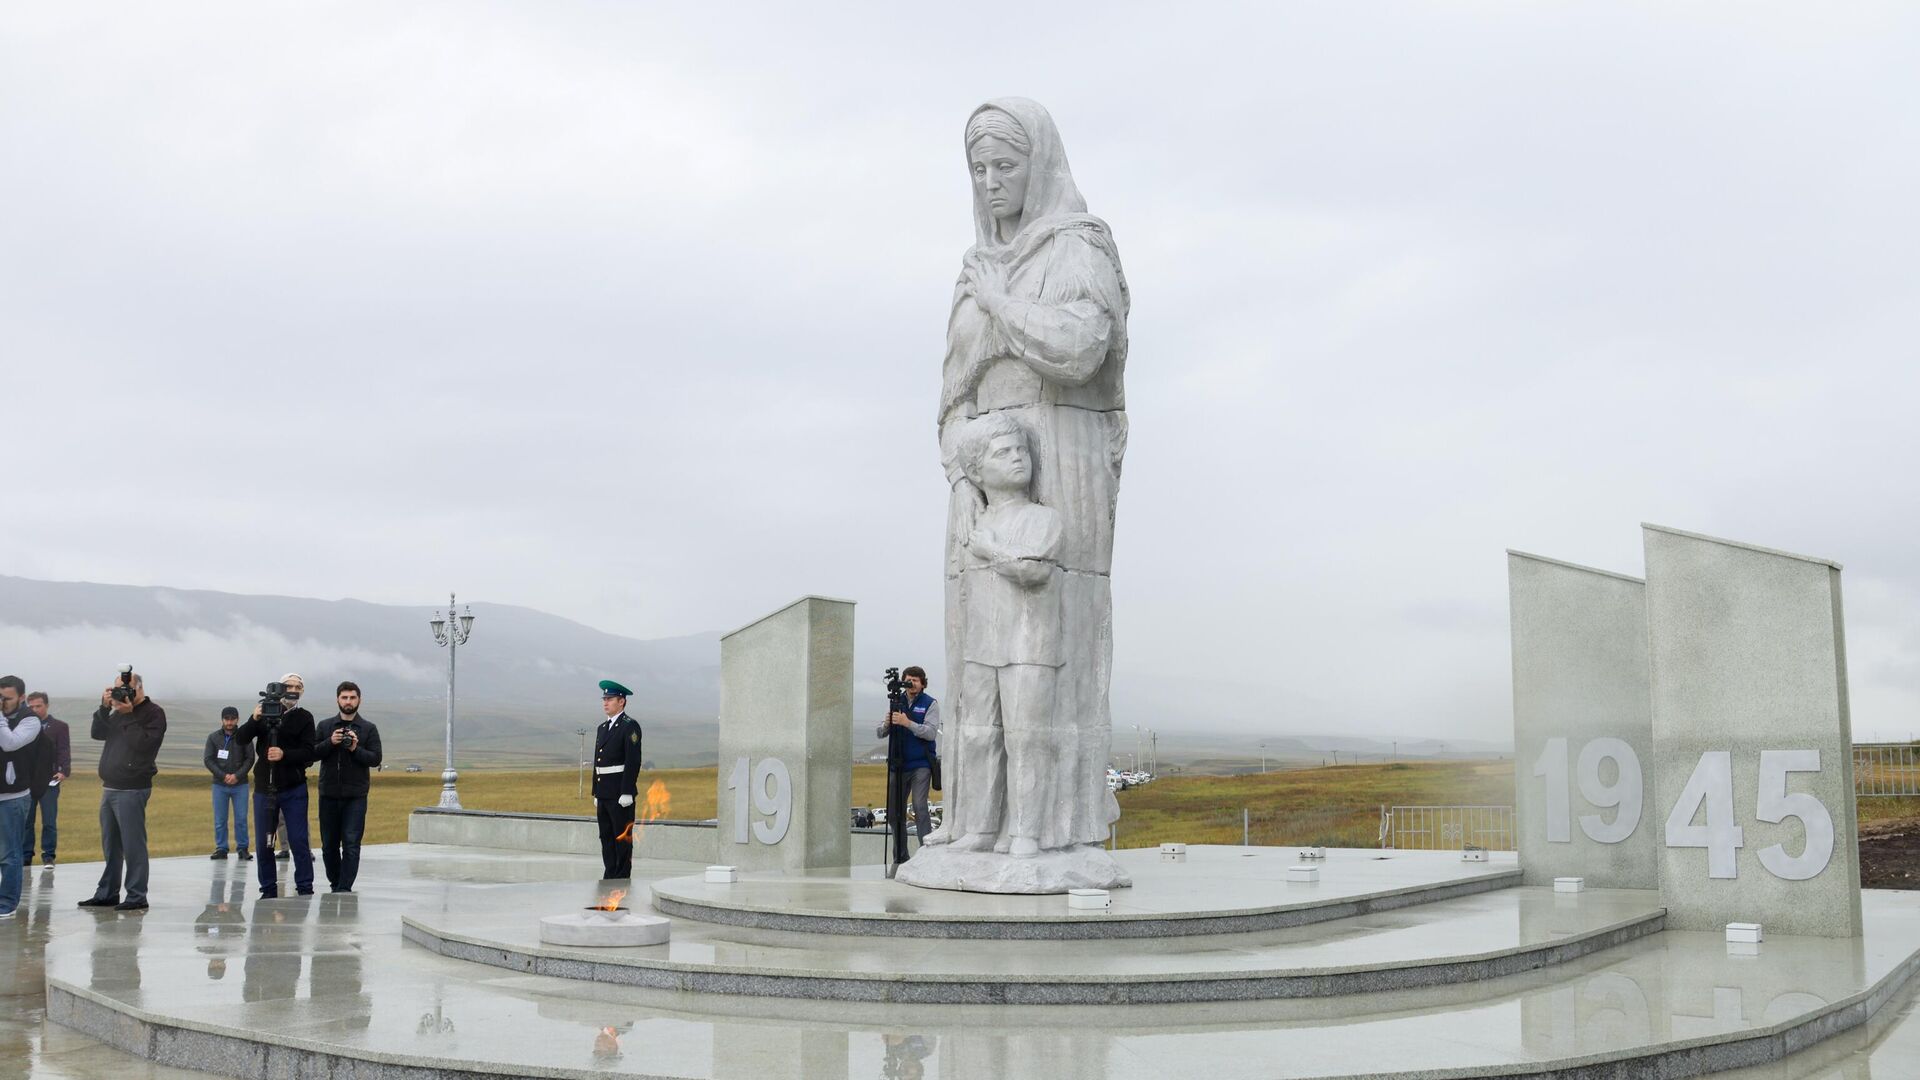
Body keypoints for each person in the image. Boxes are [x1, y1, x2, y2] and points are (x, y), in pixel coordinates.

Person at [931, 99, 1128, 857]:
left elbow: (1081, 347)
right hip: (986, 476)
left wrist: (1003, 306)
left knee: (1055, 649)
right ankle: (978, 822)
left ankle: (1056, 827)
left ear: (1038, 165)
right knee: (977, 664)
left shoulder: (1078, 246)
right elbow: (949, 397)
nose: (990, 184)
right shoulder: (974, 270)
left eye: (1005, 166)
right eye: (978, 170)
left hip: (1065, 449)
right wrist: (966, 464)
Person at [950, 412, 1065, 858]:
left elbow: (1032, 570)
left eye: (1021, 450)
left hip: (1030, 648)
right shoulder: (973, 522)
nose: (1018, 458)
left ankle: (1024, 832)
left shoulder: (1042, 519)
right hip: (982, 647)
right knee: (979, 737)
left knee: (1026, 740)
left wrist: (989, 549)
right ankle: (979, 827)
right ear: (978, 471)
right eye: (1004, 453)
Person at [79, 669, 167, 912]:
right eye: (117, 688)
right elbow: (98, 733)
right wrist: (104, 708)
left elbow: (144, 745)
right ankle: (107, 893)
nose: (122, 693)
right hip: (109, 786)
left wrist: (129, 715)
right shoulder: (118, 711)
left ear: (139, 688)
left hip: (132, 788)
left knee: (133, 844)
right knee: (111, 845)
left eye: (126, 688)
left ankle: (137, 895)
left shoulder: (154, 713)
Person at [231, 673, 318, 897]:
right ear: (279, 688)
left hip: (294, 787)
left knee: (299, 840)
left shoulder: (305, 717)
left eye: (298, 687)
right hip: (264, 787)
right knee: (265, 842)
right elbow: (240, 739)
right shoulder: (266, 711)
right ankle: (268, 889)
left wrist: (284, 754)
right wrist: (254, 718)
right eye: (288, 685)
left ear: (302, 691)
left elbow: (310, 753)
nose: (293, 690)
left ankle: (305, 887)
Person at [312, 681, 382, 893]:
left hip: (356, 796)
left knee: (351, 844)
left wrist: (354, 747)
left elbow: (376, 758)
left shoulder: (369, 728)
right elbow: (313, 753)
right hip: (329, 794)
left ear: (359, 699)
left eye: (352, 697)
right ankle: (335, 884)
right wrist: (330, 742)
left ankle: (345, 888)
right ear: (337, 700)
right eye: (344, 697)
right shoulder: (325, 726)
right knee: (329, 845)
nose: (348, 702)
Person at [877, 666, 940, 863]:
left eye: (915, 680)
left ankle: (926, 855)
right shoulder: (897, 702)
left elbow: (930, 732)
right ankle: (901, 856)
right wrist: (887, 724)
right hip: (898, 764)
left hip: (920, 764)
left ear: (922, 683)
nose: (911, 683)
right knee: (895, 812)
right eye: (908, 679)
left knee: (920, 807)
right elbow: (880, 733)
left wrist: (908, 723)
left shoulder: (930, 704)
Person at [0, 675, 51, 920]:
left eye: (6, 699)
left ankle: (7, 904)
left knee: (9, 854)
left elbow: (10, 743)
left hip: (12, 797)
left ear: (21, 698)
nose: (3, 703)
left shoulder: (29, 720)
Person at [590, 680, 643, 879]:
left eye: (610, 699)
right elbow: (598, 762)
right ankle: (609, 874)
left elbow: (633, 760)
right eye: (604, 699)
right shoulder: (602, 728)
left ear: (621, 702)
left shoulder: (629, 726)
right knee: (606, 836)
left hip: (620, 794)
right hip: (604, 793)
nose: (605, 703)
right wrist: (595, 790)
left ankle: (621, 877)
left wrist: (627, 791)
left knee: (622, 837)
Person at [22, 692, 68, 868]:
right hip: (27, 781)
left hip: (49, 780)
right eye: (31, 706)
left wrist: (63, 770)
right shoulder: (23, 726)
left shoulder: (59, 727)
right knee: (27, 821)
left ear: (46, 705)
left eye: (38, 706)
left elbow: (64, 750)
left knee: (49, 820)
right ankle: (26, 856)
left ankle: (48, 856)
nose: (34, 709)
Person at [204, 706, 255, 860]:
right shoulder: (213, 738)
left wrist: (237, 776)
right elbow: (208, 759)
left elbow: (250, 759)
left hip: (240, 784)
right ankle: (221, 848)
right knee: (220, 819)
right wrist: (223, 776)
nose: (230, 722)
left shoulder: (244, 737)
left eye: (233, 719)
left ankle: (243, 848)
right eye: (227, 719)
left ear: (237, 719)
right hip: (219, 785)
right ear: (222, 720)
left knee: (241, 819)